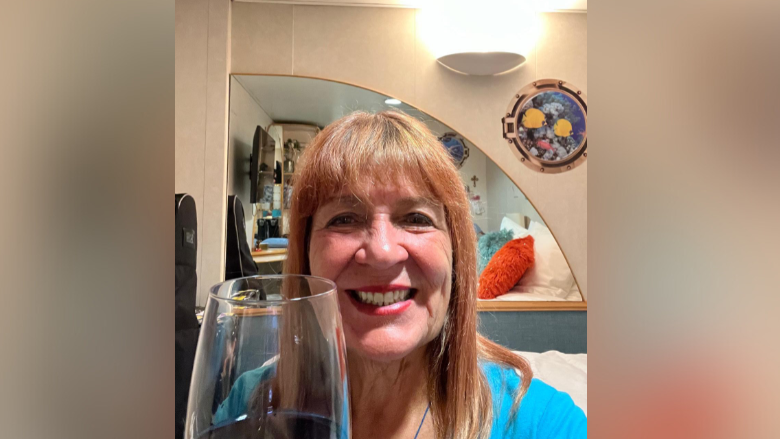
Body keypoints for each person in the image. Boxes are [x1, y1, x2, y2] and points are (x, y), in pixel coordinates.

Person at [218, 111, 586, 438]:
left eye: (416, 219)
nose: (381, 252)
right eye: (344, 219)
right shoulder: (248, 406)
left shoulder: (544, 423)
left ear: (456, 255)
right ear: (306, 255)